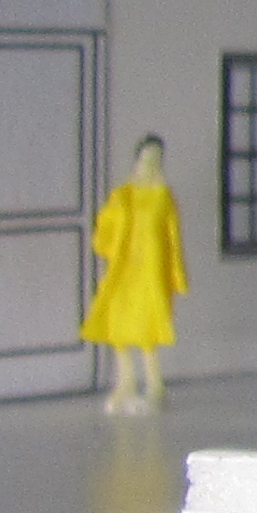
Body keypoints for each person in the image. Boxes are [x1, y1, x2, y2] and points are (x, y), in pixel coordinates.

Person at [81, 134, 188, 414]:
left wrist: (177, 274)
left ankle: (154, 385)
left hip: (151, 273)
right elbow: (104, 230)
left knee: (148, 328)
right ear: (138, 160)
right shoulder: (122, 196)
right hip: (124, 272)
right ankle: (125, 382)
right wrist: (108, 244)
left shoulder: (164, 198)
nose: (151, 163)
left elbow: (173, 239)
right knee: (120, 327)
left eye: (157, 159)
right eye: (146, 158)